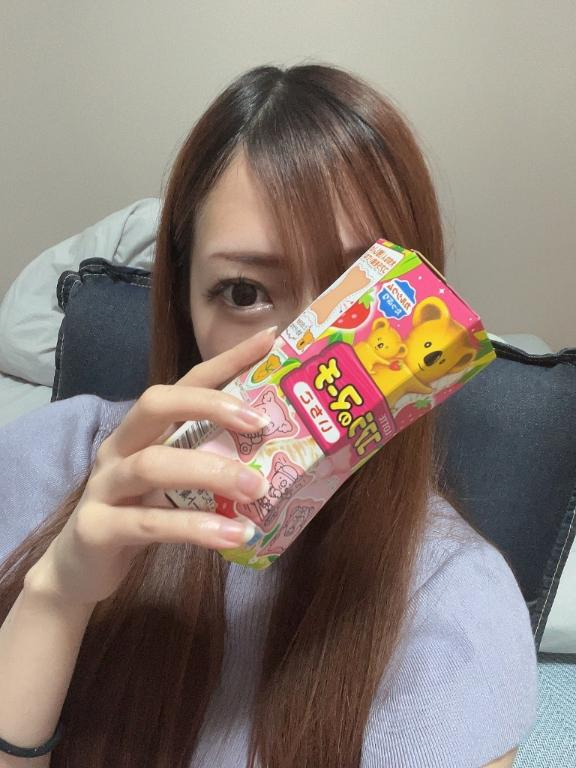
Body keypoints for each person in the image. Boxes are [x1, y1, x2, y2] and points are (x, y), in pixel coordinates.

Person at [0, 64, 536, 768]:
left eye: (356, 294)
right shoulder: (46, 457)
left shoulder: (455, 601)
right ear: (182, 300)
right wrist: (55, 596)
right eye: (244, 291)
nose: (304, 353)